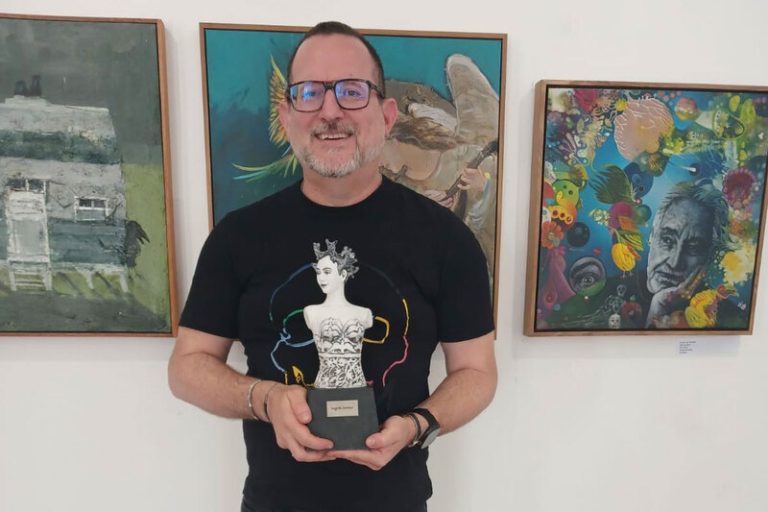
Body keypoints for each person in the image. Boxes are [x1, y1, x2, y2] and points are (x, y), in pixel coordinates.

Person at [168, 20, 497, 512]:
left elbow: (477, 372)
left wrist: (418, 426)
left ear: (387, 115)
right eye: (309, 93)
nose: (329, 111)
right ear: (287, 116)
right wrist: (264, 398)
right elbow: (187, 367)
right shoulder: (238, 237)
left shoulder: (447, 239)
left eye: (351, 91)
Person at [644, 180, 729, 327]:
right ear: (652, 235)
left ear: (710, 257)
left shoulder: (726, 319)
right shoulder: (613, 288)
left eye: (693, 248)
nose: (674, 262)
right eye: (667, 240)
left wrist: (661, 308)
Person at [304, 239, 372, 389]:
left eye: (327, 272)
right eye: (318, 272)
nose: (321, 278)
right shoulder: (311, 312)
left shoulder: (364, 313)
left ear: (343, 274)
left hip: (357, 386)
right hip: (323, 388)